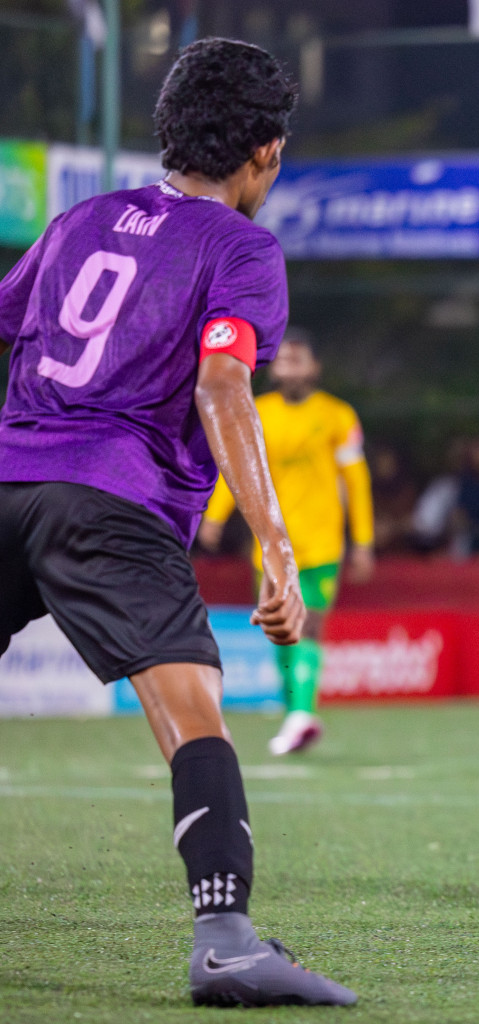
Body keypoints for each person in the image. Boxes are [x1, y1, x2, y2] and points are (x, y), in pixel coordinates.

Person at [0, 39, 354, 1006]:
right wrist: (274, 546)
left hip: (8, 476)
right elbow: (223, 380)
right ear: (267, 153)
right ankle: (228, 941)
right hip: (110, 499)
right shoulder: (241, 248)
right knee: (193, 707)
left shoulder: (80, 220)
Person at [200, 332, 375, 756]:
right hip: (271, 545)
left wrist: (364, 540)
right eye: (284, 361)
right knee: (281, 632)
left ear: (314, 368)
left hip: (321, 544)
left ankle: (301, 715)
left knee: (310, 624)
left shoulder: (337, 416)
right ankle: (294, 714)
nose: (290, 368)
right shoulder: (257, 412)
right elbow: (239, 469)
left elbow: (356, 478)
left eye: (299, 361)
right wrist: (214, 514)